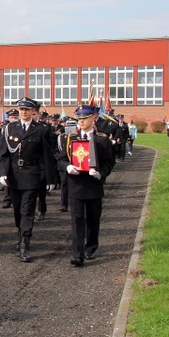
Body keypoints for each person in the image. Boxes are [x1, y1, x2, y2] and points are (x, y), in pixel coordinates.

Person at [0, 97, 56, 262]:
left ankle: (25, 242)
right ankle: (21, 232)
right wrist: (2, 172)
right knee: (17, 210)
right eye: (21, 109)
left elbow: (47, 156)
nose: (23, 112)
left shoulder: (40, 130)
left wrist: (50, 179)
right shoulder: (10, 128)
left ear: (33, 112)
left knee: (27, 210)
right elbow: (3, 153)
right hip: (14, 175)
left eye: (26, 110)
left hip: (31, 174)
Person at [56, 105, 115, 266]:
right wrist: (68, 167)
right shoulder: (70, 139)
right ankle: (77, 254)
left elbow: (110, 162)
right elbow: (61, 159)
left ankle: (91, 247)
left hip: (93, 185)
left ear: (93, 118)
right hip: (76, 184)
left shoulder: (102, 139)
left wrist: (101, 173)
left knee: (93, 220)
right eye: (79, 119)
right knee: (77, 220)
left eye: (84, 119)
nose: (81, 122)